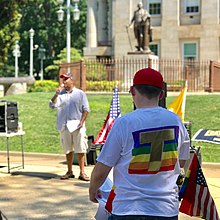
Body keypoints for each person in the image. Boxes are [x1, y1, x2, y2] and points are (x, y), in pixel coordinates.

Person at [89, 67, 190, 219]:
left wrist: (93, 190)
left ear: (132, 91)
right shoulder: (176, 121)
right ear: (161, 94)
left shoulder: (124, 123)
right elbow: (181, 161)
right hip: (165, 209)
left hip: (127, 209)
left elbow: (101, 170)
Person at [49, 72, 90, 181]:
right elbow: (52, 105)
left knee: (80, 148)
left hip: (77, 125)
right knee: (68, 149)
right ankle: (69, 171)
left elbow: (86, 109)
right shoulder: (61, 94)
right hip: (64, 126)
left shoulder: (80, 94)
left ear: (72, 80)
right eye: (63, 79)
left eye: (66, 79)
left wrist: (82, 122)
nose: (64, 81)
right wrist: (56, 94)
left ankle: (82, 172)